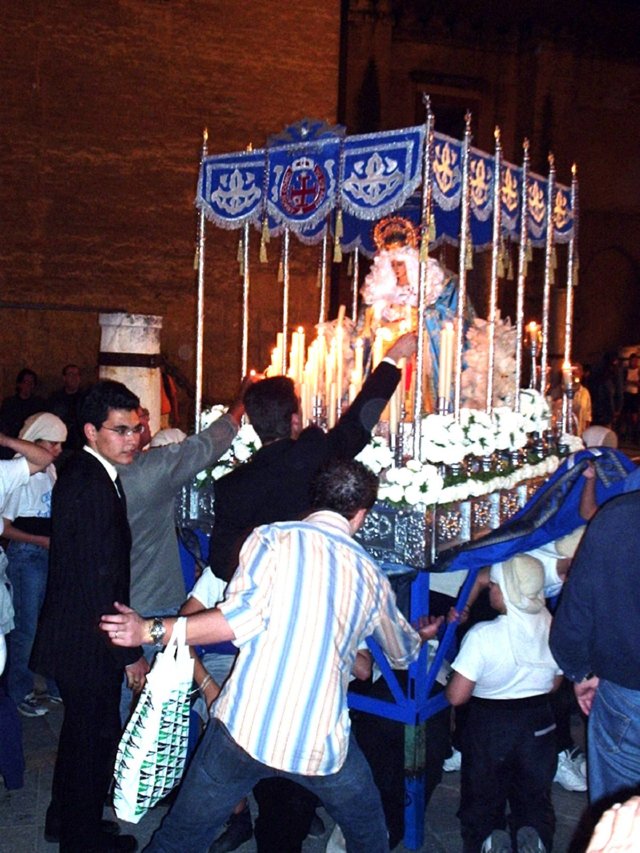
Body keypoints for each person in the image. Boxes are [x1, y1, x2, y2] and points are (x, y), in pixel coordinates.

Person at [100, 459, 443, 853]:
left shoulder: (271, 538)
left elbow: (240, 618)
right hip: (320, 742)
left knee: (178, 840)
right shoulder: (370, 575)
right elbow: (402, 655)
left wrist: (149, 629)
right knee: (371, 839)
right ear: (362, 514)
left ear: (315, 499)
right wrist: (419, 635)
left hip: (244, 730)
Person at [207, 333, 415, 852]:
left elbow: (219, 561)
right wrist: (392, 359)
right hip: (327, 617)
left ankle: (283, 827)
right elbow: (359, 424)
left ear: (253, 425)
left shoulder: (232, 487)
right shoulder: (318, 455)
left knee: (272, 725)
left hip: (265, 623)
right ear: (295, 419)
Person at [30, 380, 148, 852]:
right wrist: (130, 651)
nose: (133, 439)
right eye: (120, 431)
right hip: (89, 639)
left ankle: (67, 820)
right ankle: (81, 841)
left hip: (79, 634)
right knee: (91, 742)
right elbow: (99, 582)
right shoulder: (89, 482)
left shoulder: (91, 473)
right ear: (91, 431)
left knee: (82, 735)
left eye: (136, 429)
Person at [115, 382, 244, 725]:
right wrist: (239, 406)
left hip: (122, 602)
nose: (137, 431)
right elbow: (204, 447)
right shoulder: (148, 473)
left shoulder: (97, 475)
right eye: (130, 426)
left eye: (141, 423)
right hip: (151, 604)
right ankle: (139, 773)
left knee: (132, 705)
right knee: (152, 709)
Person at [446, 555, 563, 853]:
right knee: (534, 796)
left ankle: (487, 840)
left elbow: (457, 696)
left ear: (507, 590)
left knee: (483, 797)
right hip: (540, 725)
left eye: (494, 586)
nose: (491, 590)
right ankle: (534, 838)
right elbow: (555, 683)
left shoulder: (483, 636)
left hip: (490, 727)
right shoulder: (552, 625)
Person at [550, 489, 640, 812]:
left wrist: (581, 671)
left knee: (619, 817)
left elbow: (575, 615)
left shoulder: (620, 517)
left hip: (628, 695)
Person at [3, 413, 67, 717]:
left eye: (60, 444)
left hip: (46, 554)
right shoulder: (20, 473)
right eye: (50, 443)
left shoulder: (50, 471)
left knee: (49, 623)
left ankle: (52, 685)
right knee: (25, 628)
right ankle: (19, 691)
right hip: (27, 555)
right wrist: (39, 541)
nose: (56, 450)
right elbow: (4, 527)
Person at [0, 369, 47, 458]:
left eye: (31, 383)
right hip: (10, 445)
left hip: (30, 445)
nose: (28, 385)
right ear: (19, 384)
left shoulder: (38, 404)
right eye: (26, 382)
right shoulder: (9, 403)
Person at [48, 364, 87, 452]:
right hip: (60, 445)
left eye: (77, 375)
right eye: (71, 374)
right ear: (64, 378)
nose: (74, 378)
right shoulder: (55, 398)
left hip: (80, 445)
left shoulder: (85, 398)